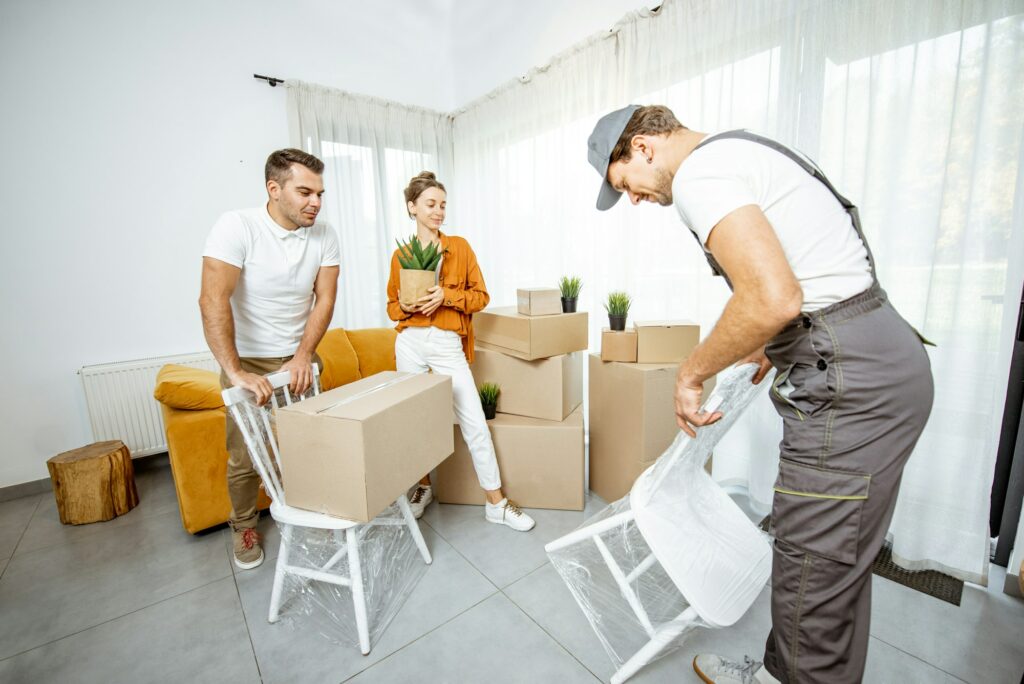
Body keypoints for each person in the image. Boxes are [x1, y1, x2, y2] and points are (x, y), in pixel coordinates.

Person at [587, 105, 934, 683]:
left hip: (849, 382)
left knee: (810, 578)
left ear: (643, 147)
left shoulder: (700, 175)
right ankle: (776, 674)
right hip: (882, 358)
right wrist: (764, 344)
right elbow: (809, 276)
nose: (634, 200)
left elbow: (774, 298)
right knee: (831, 568)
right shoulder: (740, 151)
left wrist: (689, 374)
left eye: (626, 185)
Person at [199, 148, 339, 569]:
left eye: (320, 193)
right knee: (246, 454)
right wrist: (234, 371)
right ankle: (243, 525)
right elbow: (212, 299)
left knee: (310, 445)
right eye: (304, 192)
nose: (315, 201)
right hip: (250, 362)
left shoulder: (325, 234)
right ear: (273, 189)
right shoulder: (236, 226)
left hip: (297, 360)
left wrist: (303, 355)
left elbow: (325, 298)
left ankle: (313, 510)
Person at [386, 171, 535, 532]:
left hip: (446, 343)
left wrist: (446, 296)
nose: (439, 212)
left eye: (442, 205)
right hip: (409, 342)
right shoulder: (401, 255)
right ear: (412, 207)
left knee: (472, 420)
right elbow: (392, 307)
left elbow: (482, 297)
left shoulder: (460, 248)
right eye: (431, 204)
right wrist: (409, 304)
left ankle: (495, 502)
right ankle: (423, 487)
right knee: (415, 420)